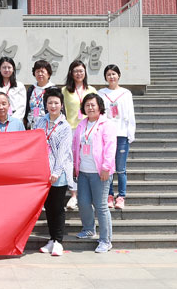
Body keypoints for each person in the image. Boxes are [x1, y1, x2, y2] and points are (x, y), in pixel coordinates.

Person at [31, 87, 74, 256]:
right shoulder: (40, 122)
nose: (53, 106)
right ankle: (51, 239)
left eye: (56, 103)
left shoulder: (65, 126)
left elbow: (63, 152)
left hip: (58, 173)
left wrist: (56, 172)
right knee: (48, 207)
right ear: (46, 105)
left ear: (61, 105)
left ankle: (58, 241)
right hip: (43, 170)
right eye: (50, 103)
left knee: (57, 207)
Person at [72, 93, 116, 253]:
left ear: (99, 107)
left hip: (100, 172)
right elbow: (75, 146)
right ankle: (89, 229)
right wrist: (75, 166)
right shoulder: (81, 124)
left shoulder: (107, 124)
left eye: (93, 105)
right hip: (84, 171)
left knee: (101, 206)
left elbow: (110, 147)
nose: (90, 108)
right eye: (87, 105)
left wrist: (106, 167)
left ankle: (105, 240)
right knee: (83, 202)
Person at [100, 64, 136, 209]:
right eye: (108, 74)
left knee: (120, 168)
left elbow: (130, 114)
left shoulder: (126, 93)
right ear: (105, 77)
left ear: (119, 75)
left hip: (121, 134)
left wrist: (130, 133)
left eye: (114, 74)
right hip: (106, 134)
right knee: (108, 166)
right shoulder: (101, 93)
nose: (111, 77)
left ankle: (121, 196)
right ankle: (109, 195)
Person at [0, 56, 26, 124]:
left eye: (9, 67)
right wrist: (1, 119)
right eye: (4, 67)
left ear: (13, 69)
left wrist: (13, 120)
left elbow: (22, 106)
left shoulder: (20, 86)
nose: (6, 70)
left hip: (16, 120)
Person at [63, 59, 96, 129]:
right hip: (70, 128)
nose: (79, 74)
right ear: (71, 73)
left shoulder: (91, 90)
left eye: (81, 71)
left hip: (88, 128)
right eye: (76, 71)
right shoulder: (64, 91)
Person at [25, 59, 55, 128]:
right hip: (32, 125)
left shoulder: (53, 89)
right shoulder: (31, 89)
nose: (40, 74)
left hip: (48, 125)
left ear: (48, 74)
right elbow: (27, 108)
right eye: (37, 71)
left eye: (42, 71)